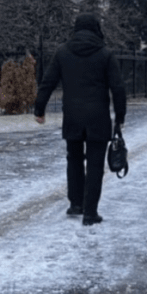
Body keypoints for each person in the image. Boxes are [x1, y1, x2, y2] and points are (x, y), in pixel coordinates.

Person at [34, 13, 126, 226]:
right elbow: (118, 88)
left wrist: (39, 108)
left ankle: (76, 203)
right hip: (98, 117)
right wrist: (120, 116)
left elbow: (48, 81)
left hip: (72, 116)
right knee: (95, 164)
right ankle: (90, 212)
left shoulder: (63, 52)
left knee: (74, 159)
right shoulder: (105, 54)